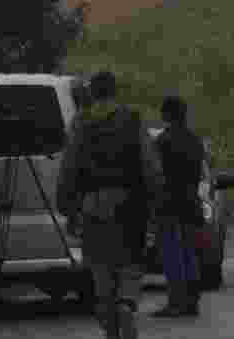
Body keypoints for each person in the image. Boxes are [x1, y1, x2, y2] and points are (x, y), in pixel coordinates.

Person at [57, 71, 164, 339]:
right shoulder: (132, 119)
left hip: (92, 205)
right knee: (130, 262)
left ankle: (109, 318)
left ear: (92, 93)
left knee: (101, 269)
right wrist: (155, 198)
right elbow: (150, 166)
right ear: (115, 91)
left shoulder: (80, 122)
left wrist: (67, 205)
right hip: (130, 204)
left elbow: (69, 167)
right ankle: (126, 304)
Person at [151, 95, 207, 318]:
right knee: (189, 253)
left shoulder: (163, 141)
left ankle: (176, 301)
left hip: (169, 203)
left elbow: (157, 174)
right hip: (190, 202)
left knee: (172, 253)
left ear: (166, 115)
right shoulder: (194, 140)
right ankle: (191, 300)